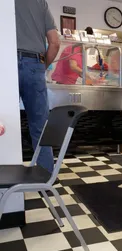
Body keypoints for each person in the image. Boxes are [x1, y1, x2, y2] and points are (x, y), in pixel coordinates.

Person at [15, 0, 60, 173]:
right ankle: (46, 179)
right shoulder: (39, 2)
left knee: (5, 122)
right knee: (40, 125)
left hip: (5, 62)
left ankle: (7, 181)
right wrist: (41, 67)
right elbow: (54, 43)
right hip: (34, 62)